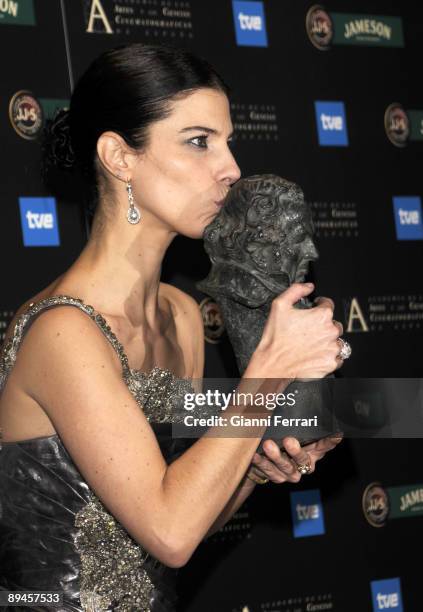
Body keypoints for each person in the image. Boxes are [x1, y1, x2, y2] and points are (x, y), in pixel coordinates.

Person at [0, 43, 344, 612]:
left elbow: (179, 516)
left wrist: (254, 467)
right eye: (198, 141)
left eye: (228, 141)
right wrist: (270, 371)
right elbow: (171, 532)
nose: (230, 167)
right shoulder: (63, 332)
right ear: (119, 157)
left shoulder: (181, 316)